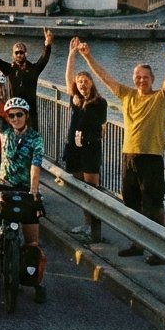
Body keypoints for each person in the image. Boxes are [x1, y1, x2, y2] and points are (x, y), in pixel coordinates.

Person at [77, 38, 165, 265]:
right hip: (129, 155)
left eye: (146, 77)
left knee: (154, 204)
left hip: (151, 156)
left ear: (152, 80)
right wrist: (87, 56)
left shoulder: (159, 98)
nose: (141, 80)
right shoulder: (127, 95)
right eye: (138, 77)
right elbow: (105, 78)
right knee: (132, 202)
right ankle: (137, 244)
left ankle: (160, 250)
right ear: (134, 79)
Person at [0, 95, 47, 302]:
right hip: (4, 186)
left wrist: (34, 190)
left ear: (26, 116)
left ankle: (36, 282)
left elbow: (35, 164)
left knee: (32, 241)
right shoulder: (5, 131)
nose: (15, 118)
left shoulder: (36, 138)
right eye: (11, 116)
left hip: (25, 189)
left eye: (19, 115)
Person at [63, 39, 108, 240]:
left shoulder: (99, 103)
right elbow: (68, 78)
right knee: (81, 189)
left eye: (85, 81)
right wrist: (72, 54)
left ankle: (95, 230)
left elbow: (101, 126)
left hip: (90, 150)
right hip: (75, 149)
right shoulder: (75, 99)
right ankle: (87, 224)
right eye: (79, 82)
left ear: (91, 83)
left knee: (93, 191)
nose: (82, 84)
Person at [0, 27, 53, 126]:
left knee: (31, 140)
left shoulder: (34, 69)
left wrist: (48, 45)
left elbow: (44, 59)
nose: (19, 55)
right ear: (13, 55)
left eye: (21, 52)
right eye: (16, 52)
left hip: (29, 114)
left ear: (25, 53)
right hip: (13, 113)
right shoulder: (9, 69)